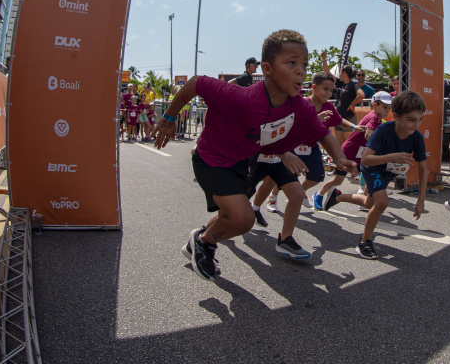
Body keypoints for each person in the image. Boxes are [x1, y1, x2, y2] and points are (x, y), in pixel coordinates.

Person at [152, 29, 356, 280]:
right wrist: (169, 117)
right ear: (268, 69)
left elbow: (320, 131)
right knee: (243, 219)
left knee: (232, 216)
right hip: (211, 160)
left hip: (242, 161)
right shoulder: (240, 97)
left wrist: (338, 158)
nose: (301, 70)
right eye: (291, 63)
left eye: (304, 64)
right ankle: (203, 241)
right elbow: (195, 83)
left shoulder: (299, 105)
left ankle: (203, 239)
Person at [248, 71, 370, 257]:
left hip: (298, 150)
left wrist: (341, 154)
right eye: (325, 89)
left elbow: (330, 129)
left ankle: (285, 238)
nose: (329, 94)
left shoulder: (318, 105)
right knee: (238, 212)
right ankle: (213, 232)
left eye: (331, 90)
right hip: (273, 151)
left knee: (304, 185)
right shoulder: (292, 102)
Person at [320, 91, 428, 260]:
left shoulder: (417, 137)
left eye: (420, 119)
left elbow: (423, 169)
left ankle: (337, 196)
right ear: (397, 116)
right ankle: (364, 242)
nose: (416, 125)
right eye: (412, 119)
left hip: (388, 172)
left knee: (370, 202)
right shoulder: (384, 129)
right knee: (382, 202)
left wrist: (421, 200)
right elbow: (366, 159)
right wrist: (394, 157)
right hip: (372, 167)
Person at [313, 91, 392, 209]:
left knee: (369, 174)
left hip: (359, 154)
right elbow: (369, 136)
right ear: (375, 105)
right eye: (385, 107)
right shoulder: (374, 118)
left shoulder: (378, 119)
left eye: (389, 108)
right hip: (348, 153)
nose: (387, 110)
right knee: (338, 180)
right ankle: (318, 194)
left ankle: (365, 202)